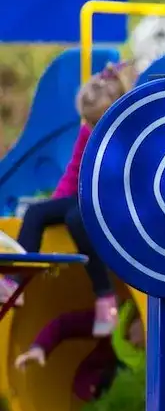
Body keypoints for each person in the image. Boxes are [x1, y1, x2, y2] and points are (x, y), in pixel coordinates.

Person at [0, 61, 138, 337]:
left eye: (96, 121)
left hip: (113, 204)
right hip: (84, 199)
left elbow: (126, 182)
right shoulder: (88, 131)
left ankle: (105, 297)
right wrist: (54, 204)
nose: (90, 127)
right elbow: (73, 172)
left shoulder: (126, 138)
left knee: (76, 217)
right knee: (37, 213)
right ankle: (15, 283)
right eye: (87, 121)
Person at [13, 304, 141, 402]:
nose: (135, 343)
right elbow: (64, 325)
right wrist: (39, 347)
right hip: (102, 376)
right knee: (84, 387)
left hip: (125, 385)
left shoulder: (152, 360)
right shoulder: (114, 320)